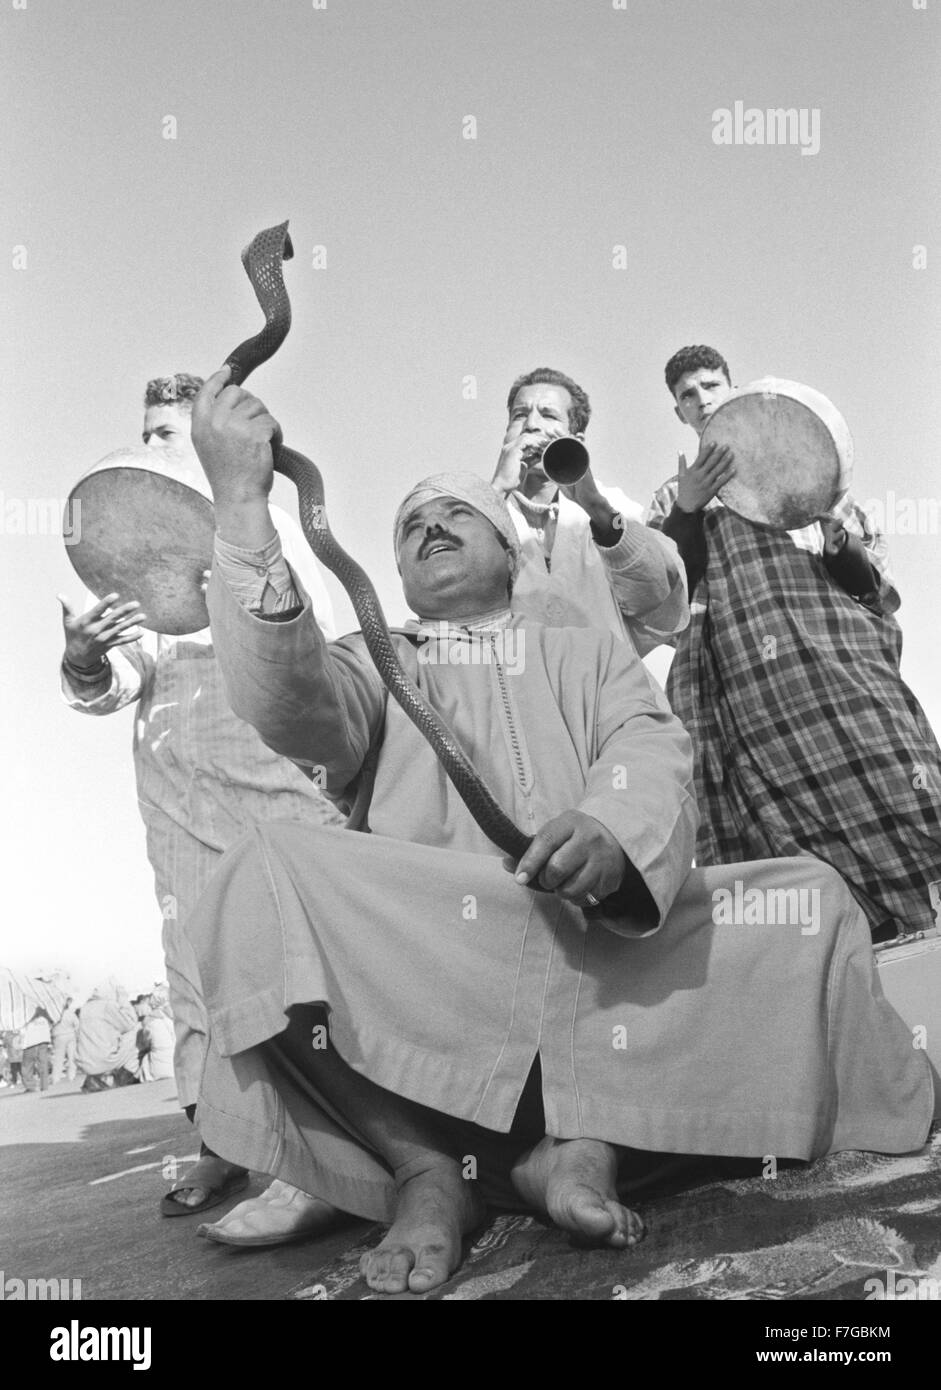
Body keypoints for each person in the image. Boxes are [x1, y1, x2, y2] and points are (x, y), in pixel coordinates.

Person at [180, 367, 931, 1293]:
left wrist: (613, 831)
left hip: (601, 949)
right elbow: (288, 704)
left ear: (508, 553)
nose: (430, 528)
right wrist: (243, 503)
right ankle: (422, 1169)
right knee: (257, 872)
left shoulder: (579, 648)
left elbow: (650, 746)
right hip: (439, 958)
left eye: (456, 516)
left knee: (805, 904)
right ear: (402, 577)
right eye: (412, 527)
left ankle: (575, 1142)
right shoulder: (372, 660)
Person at [58, 373, 341, 1213]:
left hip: (273, 797)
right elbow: (114, 684)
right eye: (142, 433)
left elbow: (317, 665)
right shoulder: (130, 575)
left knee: (286, 973)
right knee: (196, 983)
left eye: (166, 434)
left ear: (210, 442)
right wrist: (82, 656)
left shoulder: (272, 527)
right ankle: (222, 1141)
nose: (149, 448)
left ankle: (316, 1163)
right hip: (175, 808)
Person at [647, 345, 941, 940]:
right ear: (679, 414)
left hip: (841, 673)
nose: (702, 398)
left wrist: (839, 543)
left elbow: (867, 584)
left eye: (711, 385)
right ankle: (857, 965)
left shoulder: (804, 463)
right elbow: (662, 588)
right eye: (687, 394)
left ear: (733, 389)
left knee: (903, 787)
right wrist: (687, 509)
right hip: (749, 696)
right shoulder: (672, 494)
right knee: (793, 859)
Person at [491, 368, 687, 654]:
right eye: (519, 415)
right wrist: (495, 492)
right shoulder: (482, 509)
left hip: (611, 691)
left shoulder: (612, 504)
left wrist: (596, 507)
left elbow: (658, 595)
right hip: (516, 693)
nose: (531, 425)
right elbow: (448, 596)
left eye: (549, 415)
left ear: (577, 439)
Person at [75, 982, 141, 1091]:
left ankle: (97, 1078)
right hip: (104, 1060)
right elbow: (130, 1023)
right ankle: (122, 1078)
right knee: (134, 1033)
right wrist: (124, 1001)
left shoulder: (85, 1007)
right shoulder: (107, 1005)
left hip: (84, 1061)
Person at [136, 990, 176, 1082]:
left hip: (159, 1068)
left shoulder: (150, 1022)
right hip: (178, 1065)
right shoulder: (174, 1020)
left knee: (144, 1060)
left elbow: (143, 1045)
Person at [20, 1009, 52, 1093]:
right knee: (43, 1064)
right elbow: (49, 1027)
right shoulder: (45, 1018)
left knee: (27, 1065)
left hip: (30, 1042)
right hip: (43, 1041)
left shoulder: (26, 1018)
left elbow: (22, 1031)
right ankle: (44, 1086)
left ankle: (30, 1086)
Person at [50, 997, 79, 1083]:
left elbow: (50, 1025)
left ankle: (56, 1078)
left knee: (58, 1058)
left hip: (58, 1036)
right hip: (70, 1034)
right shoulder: (70, 1013)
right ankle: (71, 1076)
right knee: (72, 1057)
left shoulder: (53, 1014)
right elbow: (77, 1024)